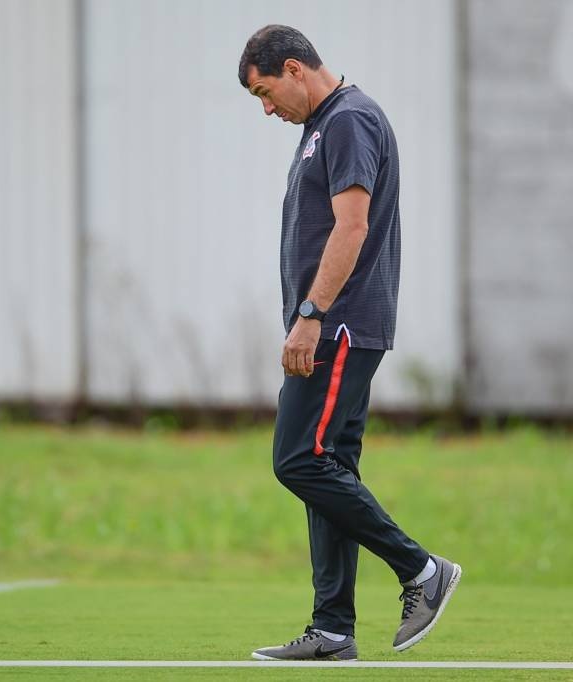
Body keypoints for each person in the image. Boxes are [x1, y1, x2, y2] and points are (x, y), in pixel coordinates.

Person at [237, 25, 461, 661]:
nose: (266, 109)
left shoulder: (348, 119)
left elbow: (353, 225)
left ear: (293, 69)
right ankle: (333, 630)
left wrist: (311, 315)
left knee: (297, 459)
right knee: (328, 464)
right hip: (336, 325)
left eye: (264, 92)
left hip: (338, 326)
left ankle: (421, 569)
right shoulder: (324, 124)